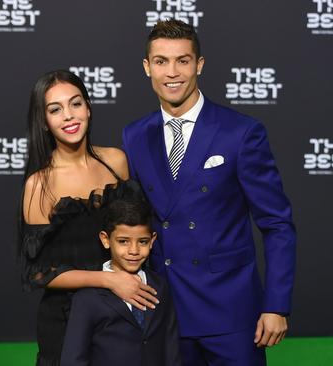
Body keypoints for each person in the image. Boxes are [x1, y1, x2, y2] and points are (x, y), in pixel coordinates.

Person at [121, 20, 297, 365]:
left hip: (231, 311)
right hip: (164, 309)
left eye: (183, 61)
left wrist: (276, 304)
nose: (172, 73)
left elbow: (277, 224)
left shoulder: (241, 133)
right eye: (161, 62)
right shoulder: (134, 135)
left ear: (199, 65)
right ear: (147, 67)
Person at [19, 70, 159, 366]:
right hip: (67, 320)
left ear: (89, 108)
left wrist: (124, 282)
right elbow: (37, 272)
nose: (69, 116)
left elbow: (135, 231)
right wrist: (110, 280)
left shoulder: (116, 161)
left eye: (76, 104)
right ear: (44, 122)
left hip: (121, 311)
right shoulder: (38, 185)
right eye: (55, 110)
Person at [60, 198, 181, 366]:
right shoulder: (87, 296)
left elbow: (171, 346)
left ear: (152, 241)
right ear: (106, 239)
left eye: (143, 242)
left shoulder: (160, 286)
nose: (134, 251)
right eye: (123, 241)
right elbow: (73, 358)